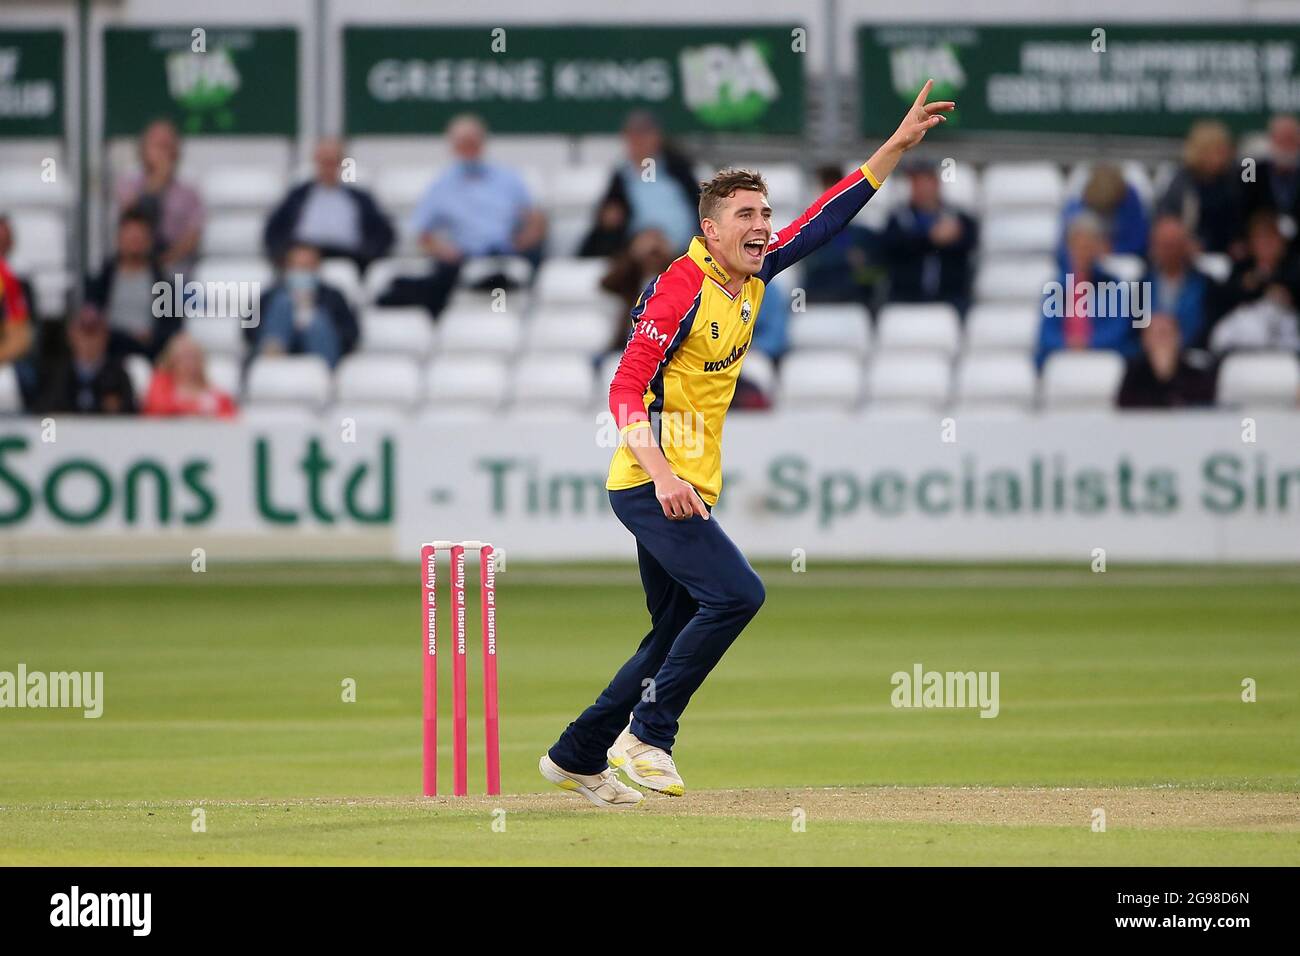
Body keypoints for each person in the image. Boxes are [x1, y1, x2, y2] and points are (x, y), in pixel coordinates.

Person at [538, 81, 955, 808]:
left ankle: (576, 754)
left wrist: (893, 148)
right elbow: (623, 391)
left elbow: (824, 223)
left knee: (670, 632)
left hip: (687, 481)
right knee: (738, 594)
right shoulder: (681, 287)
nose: (763, 226)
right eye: (747, 216)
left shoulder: (750, 277)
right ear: (711, 228)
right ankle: (649, 737)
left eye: (765, 213)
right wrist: (664, 475)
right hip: (648, 482)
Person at [398, 114, 546, 318]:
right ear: (453, 146)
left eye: (472, 143)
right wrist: (444, 250)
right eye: (463, 144)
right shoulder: (441, 185)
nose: (469, 149)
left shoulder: (508, 178)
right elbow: (422, 232)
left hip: (506, 253)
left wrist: (525, 238)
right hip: (463, 259)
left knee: (519, 274)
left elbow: (535, 219)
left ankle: (510, 321)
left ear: (483, 143)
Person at [263, 137, 395, 271]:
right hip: (305, 257)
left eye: (334, 162)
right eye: (324, 162)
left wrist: (368, 255)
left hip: (350, 258)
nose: (328, 168)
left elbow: (384, 234)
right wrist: (284, 255)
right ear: (316, 162)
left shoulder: (360, 199)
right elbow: (273, 231)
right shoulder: (297, 196)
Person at [579, 111, 700, 257]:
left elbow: (698, 206)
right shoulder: (622, 177)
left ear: (657, 138)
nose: (639, 141)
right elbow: (608, 216)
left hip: (683, 245)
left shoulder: (679, 170)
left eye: (644, 134)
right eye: (633, 135)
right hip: (637, 247)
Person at [1036, 212, 1140, 367]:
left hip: (1102, 360)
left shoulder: (1114, 286)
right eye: (1078, 246)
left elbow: (1118, 331)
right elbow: (1047, 334)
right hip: (1063, 359)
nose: (1083, 252)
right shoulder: (1057, 289)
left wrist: (1087, 344)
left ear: (1097, 249)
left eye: (1088, 246)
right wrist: (1069, 344)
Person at [880, 158, 978, 315]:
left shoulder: (958, 217)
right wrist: (931, 238)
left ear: (937, 183)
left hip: (951, 300)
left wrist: (949, 238)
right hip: (905, 299)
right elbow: (891, 245)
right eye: (916, 182)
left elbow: (970, 241)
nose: (922, 188)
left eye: (926, 181)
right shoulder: (898, 218)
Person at [114, 119, 205, 269]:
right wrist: (157, 181)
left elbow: (194, 235)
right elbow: (131, 222)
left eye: (167, 147)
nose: (163, 153)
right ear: (143, 149)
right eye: (157, 146)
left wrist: (165, 262)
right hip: (136, 263)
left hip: (175, 265)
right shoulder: (128, 184)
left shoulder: (189, 192)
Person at [249, 244, 358, 368]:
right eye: (296, 266)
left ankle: (321, 375)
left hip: (323, 357)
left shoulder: (333, 296)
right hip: (277, 356)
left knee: (317, 321)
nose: (301, 271)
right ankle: (273, 360)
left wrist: (309, 319)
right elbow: (249, 330)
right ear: (286, 267)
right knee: (283, 303)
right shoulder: (271, 294)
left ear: (316, 267)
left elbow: (350, 334)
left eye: (306, 266)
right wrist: (288, 322)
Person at [85, 210, 175, 359]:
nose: (135, 244)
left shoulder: (163, 283)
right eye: (130, 238)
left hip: (149, 354)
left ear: (149, 241)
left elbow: (169, 327)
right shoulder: (101, 280)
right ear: (119, 239)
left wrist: (151, 338)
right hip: (109, 354)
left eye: (139, 239)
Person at [1156, 120, 1243, 257]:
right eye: (1217, 150)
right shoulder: (1181, 183)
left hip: (1231, 255)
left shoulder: (1235, 179)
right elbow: (1167, 219)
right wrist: (1184, 242)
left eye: (1224, 150)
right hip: (1192, 255)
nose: (1223, 155)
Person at [798, 164, 880, 307]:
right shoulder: (808, 234)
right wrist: (845, 259)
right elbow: (809, 266)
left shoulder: (863, 235)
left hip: (855, 301)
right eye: (827, 192)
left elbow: (875, 271)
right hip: (819, 299)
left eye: (836, 193)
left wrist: (862, 268)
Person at [35, 309, 136, 415]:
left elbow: (132, 416)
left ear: (105, 336)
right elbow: (41, 411)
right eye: (84, 333)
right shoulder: (56, 374)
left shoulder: (118, 375)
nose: (88, 341)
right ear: (71, 335)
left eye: (94, 333)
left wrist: (117, 409)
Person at [1057, 163, 1149, 270]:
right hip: (1087, 263)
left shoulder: (1130, 202)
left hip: (1117, 259)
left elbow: (1139, 243)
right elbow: (1063, 252)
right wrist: (1090, 250)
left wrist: (1113, 248)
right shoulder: (1076, 206)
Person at [1118, 314, 1216, 408]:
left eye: (1166, 333)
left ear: (1178, 337)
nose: (1162, 340)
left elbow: (1205, 409)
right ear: (1145, 339)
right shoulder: (1133, 376)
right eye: (1156, 334)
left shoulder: (1197, 374)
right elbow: (1127, 412)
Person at [1143, 215, 1212, 348]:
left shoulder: (1207, 286)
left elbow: (1207, 329)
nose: (1169, 252)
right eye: (1164, 245)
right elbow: (1133, 331)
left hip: (1192, 355)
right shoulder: (1140, 287)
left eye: (1174, 245)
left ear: (1185, 246)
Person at [142, 332, 237, 418]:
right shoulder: (160, 384)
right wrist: (198, 410)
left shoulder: (217, 396)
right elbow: (158, 409)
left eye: (193, 357)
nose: (189, 363)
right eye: (184, 357)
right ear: (172, 360)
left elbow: (229, 419)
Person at [1242, 114, 1300, 241]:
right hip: (1261, 244)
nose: (1286, 146)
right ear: (1271, 140)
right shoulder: (1251, 170)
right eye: (1281, 140)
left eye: (1290, 139)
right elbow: (1243, 208)